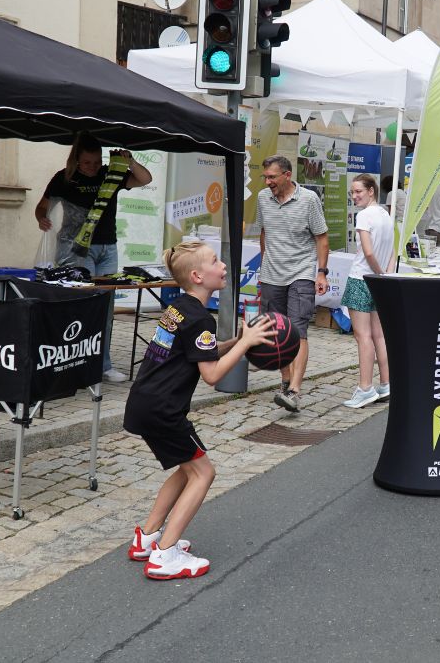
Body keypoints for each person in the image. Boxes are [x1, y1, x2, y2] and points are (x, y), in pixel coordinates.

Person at [123, 242, 277, 580]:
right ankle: (164, 555)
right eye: (214, 261)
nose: (222, 265)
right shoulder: (198, 319)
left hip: (146, 404)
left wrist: (236, 340)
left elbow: (199, 352)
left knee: (186, 469)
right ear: (198, 275)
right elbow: (212, 374)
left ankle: (147, 538)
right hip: (163, 410)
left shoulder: (180, 309)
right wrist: (248, 345)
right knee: (204, 473)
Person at [36, 133, 153, 382]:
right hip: (77, 249)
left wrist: (129, 161)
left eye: (96, 162)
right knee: (86, 305)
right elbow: (41, 206)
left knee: (105, 308)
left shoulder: (109, 174)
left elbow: (145, 179)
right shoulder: (64, 178)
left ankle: (102, 365)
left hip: (107, 248)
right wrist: (41, 218)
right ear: (76, 161)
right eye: (87, 163)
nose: (93, 167)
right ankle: (77, 363)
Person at [256, 155, 330, 412]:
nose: (267, 182)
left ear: (287, 175)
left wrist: (321, 273)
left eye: (272, 177)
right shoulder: (263, 198)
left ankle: (295, 392)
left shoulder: (308, 200)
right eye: (265, 177)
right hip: (271, 275)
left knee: (297, 331)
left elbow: (321, 238)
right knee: (276, 332)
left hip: (301, 272)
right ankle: (285, 380)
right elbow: (264, 231)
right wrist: (264, 266)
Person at [341, 174, 395, 408]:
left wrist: (378, 274)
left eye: (358, 192)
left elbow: (369, 252)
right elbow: (392, 251)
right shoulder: (385, 215)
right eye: (352, 193)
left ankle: (365, 388)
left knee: (363, 336)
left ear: (371, 190)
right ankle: (386, 383)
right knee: (379, 335)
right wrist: (385, 276)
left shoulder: (365, 216)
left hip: (362, 277)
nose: (354, 196)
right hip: (378, 279)